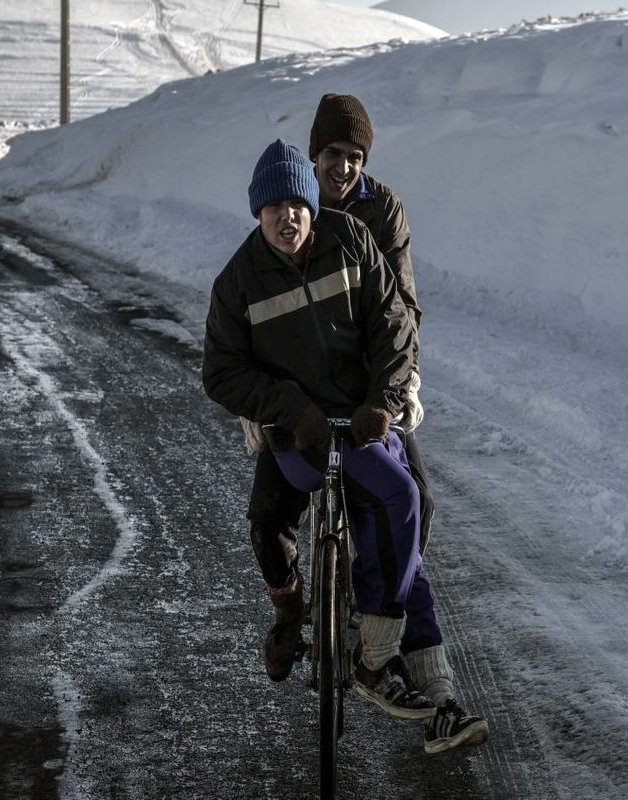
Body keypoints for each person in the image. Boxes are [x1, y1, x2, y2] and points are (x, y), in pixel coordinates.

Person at [203, 138, 489, 753]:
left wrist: (383, 402)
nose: (287, 217)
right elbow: (221, 372)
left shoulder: (353, 239)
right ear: (257, 212)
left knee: (403, 502)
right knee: (271, 519)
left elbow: (394, 324)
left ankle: (377, 652)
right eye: (273, 207)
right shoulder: (237, 281)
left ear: (311, 203)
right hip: (297, 434)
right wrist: (290, 410)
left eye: (296, 204)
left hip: (358, 419)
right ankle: (295, 616)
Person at [245, 93, 437, 682]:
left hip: (369, 380)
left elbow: (401, 303)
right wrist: (259, 401)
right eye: (333, 153)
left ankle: (379, 605)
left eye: (355, 156)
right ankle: (287, 614)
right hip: (303, 390)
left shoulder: (383, 211)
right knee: (266, 516)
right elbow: (265, 305)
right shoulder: (290, 202)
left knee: (416, 500)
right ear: (314, 153)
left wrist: (400, 383)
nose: (343, 167)